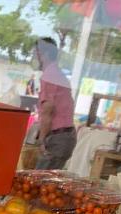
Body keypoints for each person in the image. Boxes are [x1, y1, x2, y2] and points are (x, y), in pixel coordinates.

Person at [34, 38, 77, 170]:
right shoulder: (57, 74)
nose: (33, 57)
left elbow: (48, 111)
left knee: (39, 184)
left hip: (57, 138)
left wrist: (41, 140)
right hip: (64, 137)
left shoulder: (50, 76)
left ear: (44, 54)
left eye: (35, 54)